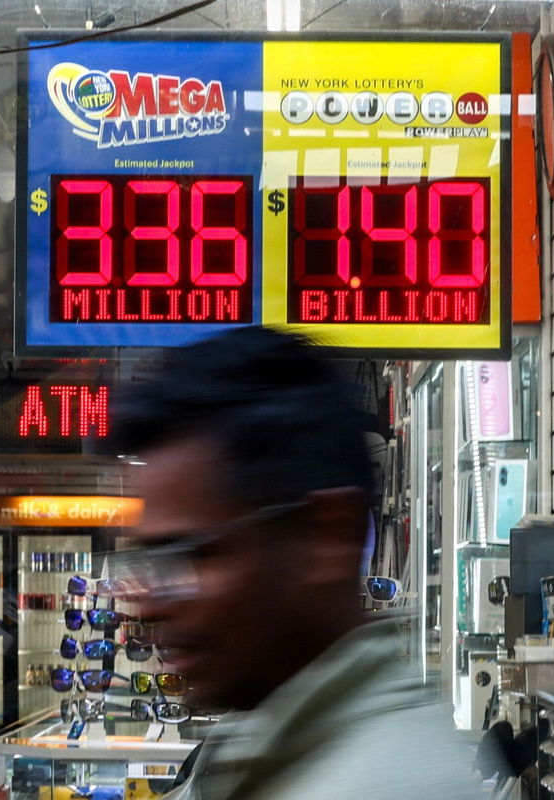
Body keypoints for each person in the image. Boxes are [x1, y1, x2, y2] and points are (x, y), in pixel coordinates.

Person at [112, 327, 486, 800]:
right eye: (152, 560)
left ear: (327, 536)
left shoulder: (386, 785)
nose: (149, 606)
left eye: (191, 554)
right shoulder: (265, 737)